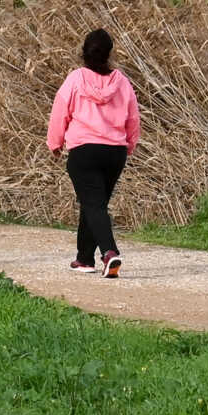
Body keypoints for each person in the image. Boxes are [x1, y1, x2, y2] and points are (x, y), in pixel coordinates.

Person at [47, 27, 139, 277]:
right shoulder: (122, 82)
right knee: (94, 204)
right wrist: (129, 144)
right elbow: (133, 117)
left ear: (84, 52)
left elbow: (60, 112)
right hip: (115, 152)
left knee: (94, 204)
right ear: (110, 53)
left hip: (85, 151)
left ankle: (110, 252)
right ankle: (84, 259)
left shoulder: (75, 79)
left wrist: (54, 143)